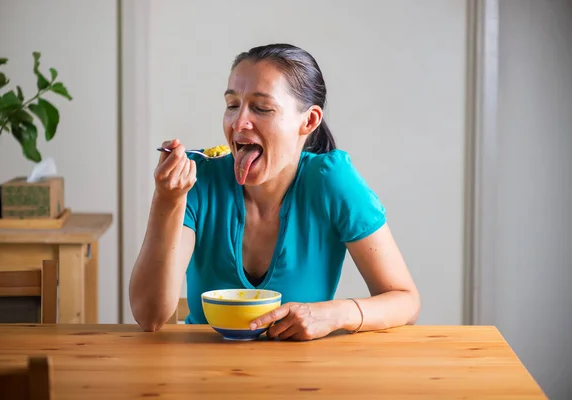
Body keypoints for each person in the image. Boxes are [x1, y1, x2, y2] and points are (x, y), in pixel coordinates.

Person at [129, 43, 420, 340]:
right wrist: (167, 201)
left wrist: (333, 314)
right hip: (203, 373)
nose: (239, 122)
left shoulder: (332, 182)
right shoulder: (198, 181)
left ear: (309, 121)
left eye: (261, 108)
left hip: (302, 378)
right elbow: (149, 317)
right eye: (232, 105)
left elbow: (405, 301)